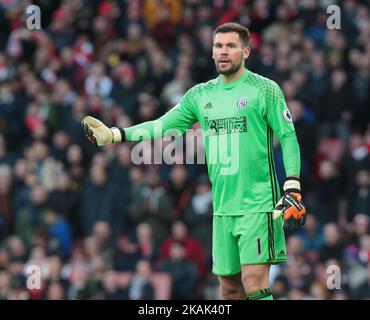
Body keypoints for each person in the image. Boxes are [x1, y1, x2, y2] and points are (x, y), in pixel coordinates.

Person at [82, 22, 306, 300]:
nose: (223, 52)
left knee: (254, 282)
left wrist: (292, 185)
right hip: (223, 207)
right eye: (218, 46)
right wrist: (115, 134)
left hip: (259, 204)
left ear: (246, 52)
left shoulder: (265, 89)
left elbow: (288, 136)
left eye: (231, 46)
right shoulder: (200, 95)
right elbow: (161, 126)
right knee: (229, 289)